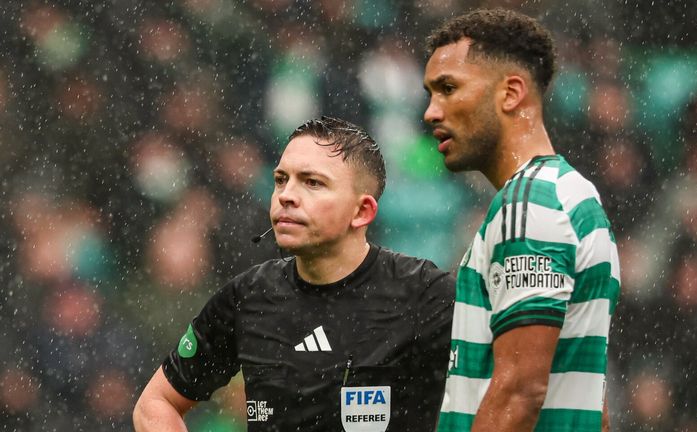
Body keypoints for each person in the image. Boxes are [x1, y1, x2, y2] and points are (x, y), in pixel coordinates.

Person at [133, 116, 455, 431]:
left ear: (361, 211)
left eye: (312, 182)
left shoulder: (427, 295)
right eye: (280, 180)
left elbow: (487, 395)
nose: (286, 195)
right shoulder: (247, 297)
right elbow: (156, 403)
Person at [422, 9, 619, 432]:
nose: (431, 112)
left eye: (448, 89)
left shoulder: (529, 206)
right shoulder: (574, 193)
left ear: (511, 93)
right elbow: (591, 405)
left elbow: (520, 392)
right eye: (431, 93)